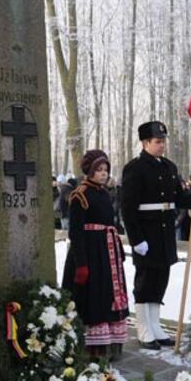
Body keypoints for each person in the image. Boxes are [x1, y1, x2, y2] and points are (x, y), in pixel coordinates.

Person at [121, 121, 191, 350]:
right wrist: (136, 239)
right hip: (146, 232)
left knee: (160, 280)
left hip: (165, 230)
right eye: (158, 141)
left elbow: (178, 198)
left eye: (163, 141)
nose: (162, 145)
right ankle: (144, 328)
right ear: (145, 142)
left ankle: (155, 325)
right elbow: (127, 208)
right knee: (145, 281)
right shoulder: (135, 168)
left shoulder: (168, 166)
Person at [62, 150, 129, 360]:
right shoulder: (80, 195)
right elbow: (76, 232)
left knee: (109, 295)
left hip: (108, 254)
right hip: (92, 254)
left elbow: (111, 224)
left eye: (106, 169)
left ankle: (112, 347)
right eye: (99, 170)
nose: (103, 173)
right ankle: (94, 350)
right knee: (95, 296)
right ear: (89, 171)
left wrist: (117, 248)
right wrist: (81, 263)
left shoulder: (104, 193)